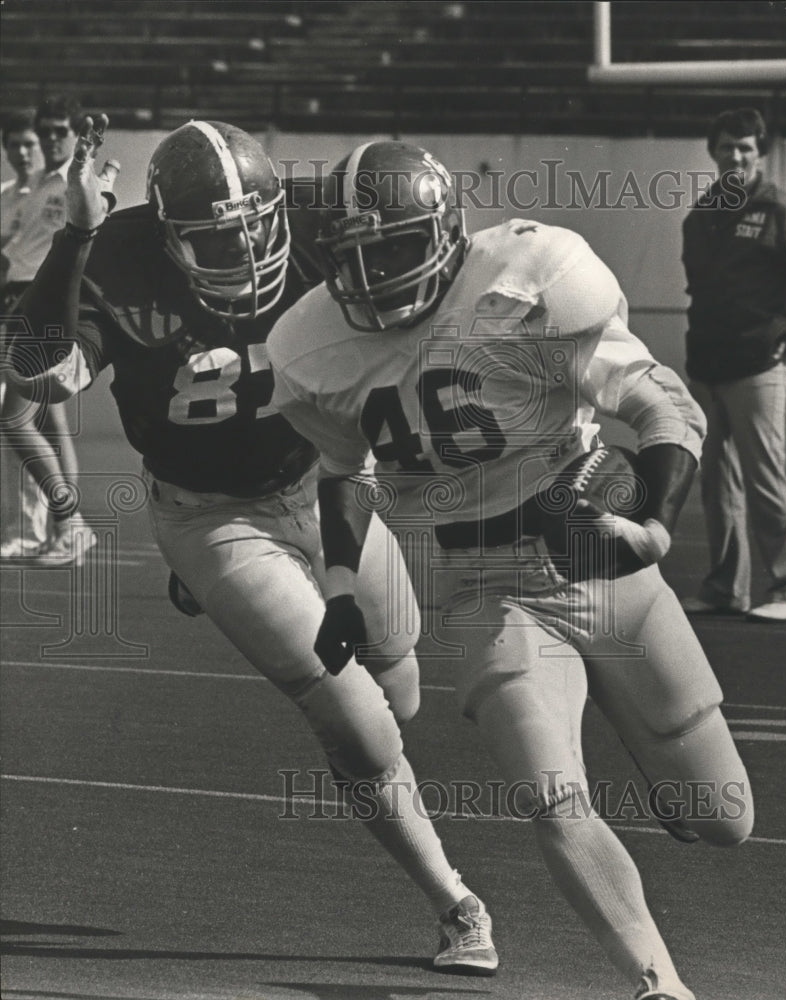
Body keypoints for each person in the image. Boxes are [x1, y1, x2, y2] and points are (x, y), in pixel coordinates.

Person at [5, 116, 497, 975]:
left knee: (401, 684)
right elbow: (38, 375)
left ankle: (223, 589)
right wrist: (77, 233)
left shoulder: (315, 218)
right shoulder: (117, 254)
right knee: (360, 727)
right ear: (166, 235)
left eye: (252, 229)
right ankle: (456, 903)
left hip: (327, 482)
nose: (242, 252)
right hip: (209, 511)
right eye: (212, 239)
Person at [266, 140, 756, 1000]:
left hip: (600, 560)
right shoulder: (313, 345)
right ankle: (659, 985)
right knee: (551, 797)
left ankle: (669, 782)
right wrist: (340, 584)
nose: (371, 272)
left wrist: (652, 523)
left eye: (391, 246)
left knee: (723, 821)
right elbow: (347, 470)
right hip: (487, 588)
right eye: (352, 253)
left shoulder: (528, 278)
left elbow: (656, 399)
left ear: (448, 232)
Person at [680, 107, 786, 623]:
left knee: (765, 479)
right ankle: (726, 588)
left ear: (760, 152)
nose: (736, 156)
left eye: (745, 147)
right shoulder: (700, 216)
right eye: (727, 146)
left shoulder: (785, 211)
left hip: (758, 366)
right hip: (708, 368)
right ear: (713, 151)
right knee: (716, 482)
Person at [1, 96, 94, 565]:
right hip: (19, 301)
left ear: (75, 133)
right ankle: (67, 532)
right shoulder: (36, 184)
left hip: (44, 306)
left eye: (61, 130)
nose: (53, 138)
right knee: (51, 425)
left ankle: (70, 523)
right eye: (48, 131)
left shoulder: (80, 182)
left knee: (14, 419)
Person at [1, 109, 48, 558]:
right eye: (14, 143)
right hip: (5, 312)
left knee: (20, 421)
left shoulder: (56, 193)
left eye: (28, 143)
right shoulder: (5, 196)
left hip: (36, 316)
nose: (22, 151)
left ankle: (31, 529)